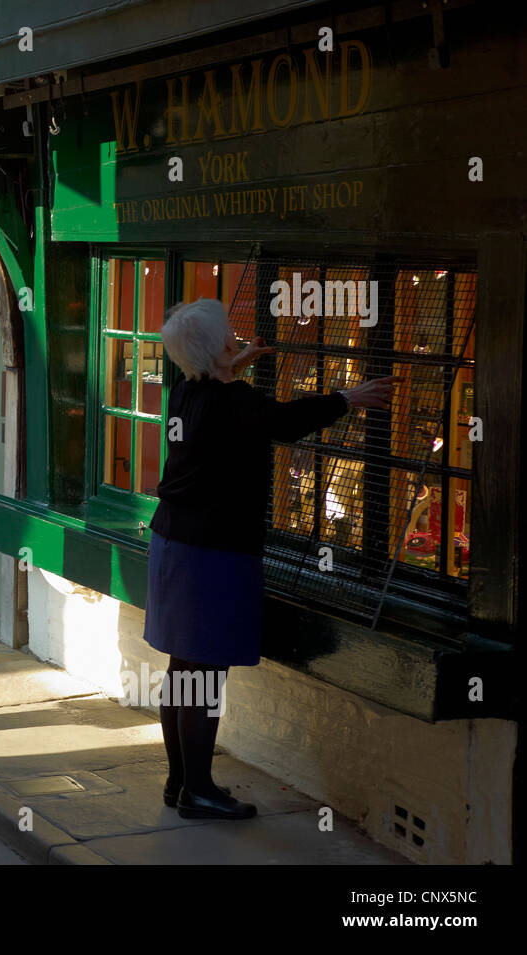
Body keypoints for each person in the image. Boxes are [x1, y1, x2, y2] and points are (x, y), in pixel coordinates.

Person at [145, 298, 398, 820]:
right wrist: (348, 397)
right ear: (220, 346)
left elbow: (222, 391)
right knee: (206, 674)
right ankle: (200, 791)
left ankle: (181, 783)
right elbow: (284, 422)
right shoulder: (234, 403)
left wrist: (232, 363)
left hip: (173, 542)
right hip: (212, 551)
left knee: (184, 669)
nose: (235, 337)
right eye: (228, 336)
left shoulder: (187, 390)